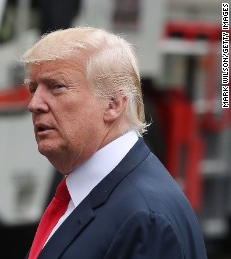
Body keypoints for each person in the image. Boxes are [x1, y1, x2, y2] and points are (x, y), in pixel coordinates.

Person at [20, 27, 207, 259]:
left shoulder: (145, 219)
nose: (34, 104)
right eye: (33, 89)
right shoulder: (98, 194)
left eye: (57, 87)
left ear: (113, 104)